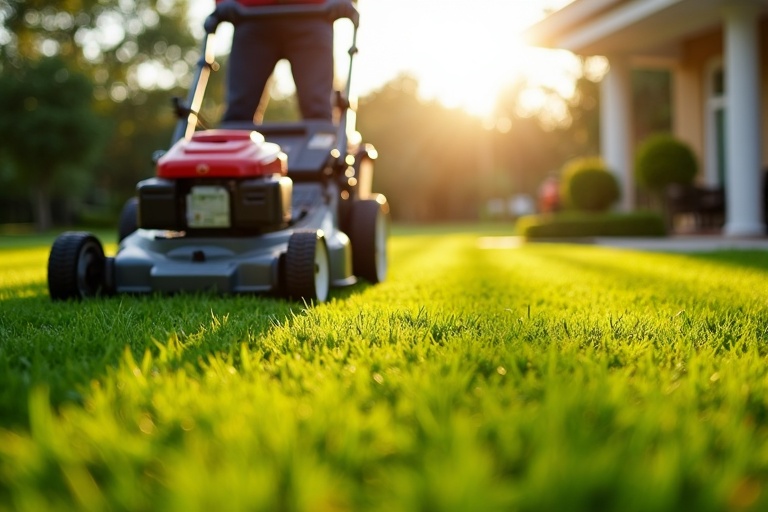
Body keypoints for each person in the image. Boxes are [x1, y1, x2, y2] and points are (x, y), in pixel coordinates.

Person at [216, 0, 356, 124]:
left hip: (314, 14)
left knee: (318, 110)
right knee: (238, 114)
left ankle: (321, 150)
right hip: (250, 15)